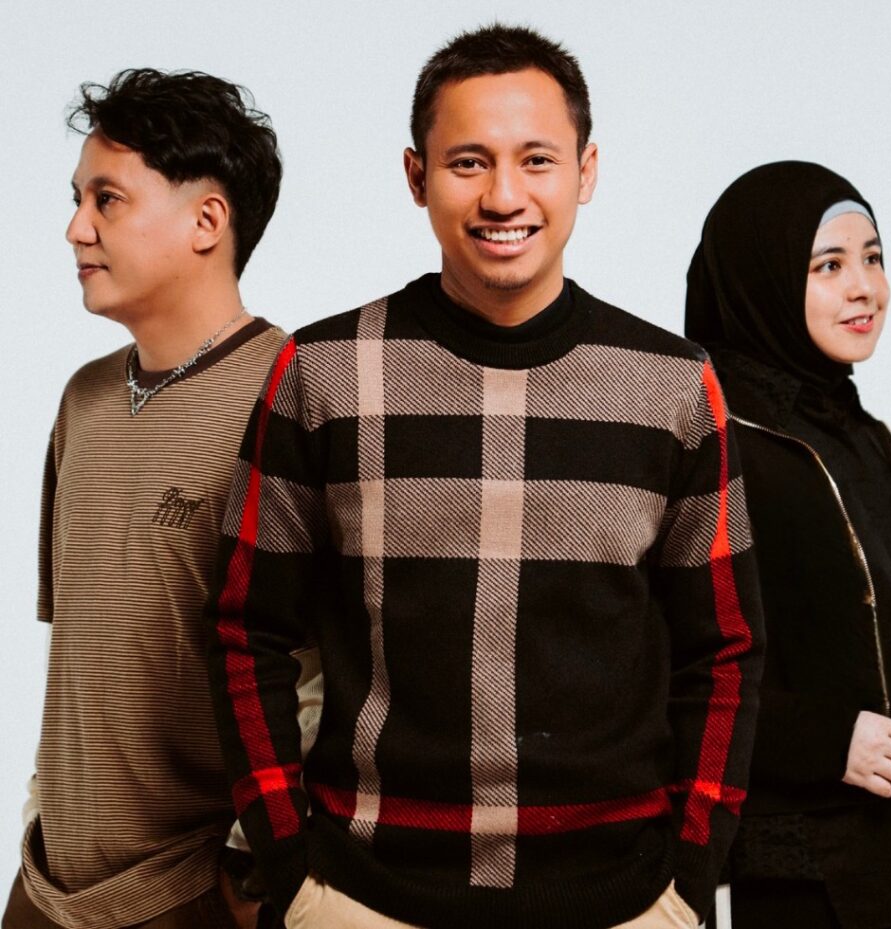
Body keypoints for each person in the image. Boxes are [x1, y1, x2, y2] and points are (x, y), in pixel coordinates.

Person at [205, 23, 764, 929]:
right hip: (363, 896)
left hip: (623, 900)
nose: (504, 195)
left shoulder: (672, 386)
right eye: (469, 162)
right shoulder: (322, 373)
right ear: (416, 175)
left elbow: (726, 652)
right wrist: (290, 862)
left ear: (585, 171)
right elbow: (245, 632)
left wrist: (688, 878)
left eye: (536, 159)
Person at [685, 161, 891, 929]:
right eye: (828, 266)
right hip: (801, 867)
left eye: (873, 257)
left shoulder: (853, 432)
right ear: (763, 281)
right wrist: (823, 740)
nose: (865, 287)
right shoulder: (722, 442)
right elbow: (676, 661)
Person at [3, 69, 288, 929]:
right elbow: (82, 654)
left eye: (108, 200)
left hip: (190, 893)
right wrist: (40, 816)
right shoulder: (84, 399)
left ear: (207, 221)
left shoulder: (291, 396)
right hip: (46, 890)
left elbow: (325, 669)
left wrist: (247, 870)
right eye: (77, 199)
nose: (76, 228)